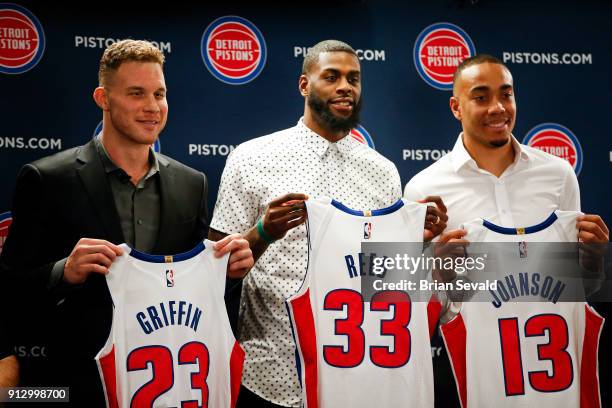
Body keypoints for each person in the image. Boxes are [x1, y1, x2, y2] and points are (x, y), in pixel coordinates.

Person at [0, 39, 253, 407]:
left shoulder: (191, 183)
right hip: (78, 388)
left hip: (167, 386)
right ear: (102, 98)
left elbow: (196, 293)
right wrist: (63, 272)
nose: (152, 107)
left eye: (159, 94)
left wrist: (228, 275)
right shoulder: (46, 179)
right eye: (137, 93)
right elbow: (9, 291)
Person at [209, 39, 447, 408]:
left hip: (358, 376)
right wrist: (262, 234)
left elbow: (383, 279)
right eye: (331, 76)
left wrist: (417, 243)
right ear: (305, 85)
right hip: (271, 374)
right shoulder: (252, 157)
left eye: (354, 79)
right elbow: (213, 269)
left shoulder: (382, 172)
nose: (345, 87)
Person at [404, 54, 609, 406]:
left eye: (506, 94)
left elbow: (580, 288)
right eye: (481, 97)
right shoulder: (423, 189)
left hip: (555, 370)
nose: (498, 108)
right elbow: (411, 305)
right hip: (474, 370)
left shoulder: (558, 174)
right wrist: (437, 271)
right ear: (456, 107)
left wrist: (594, 262)